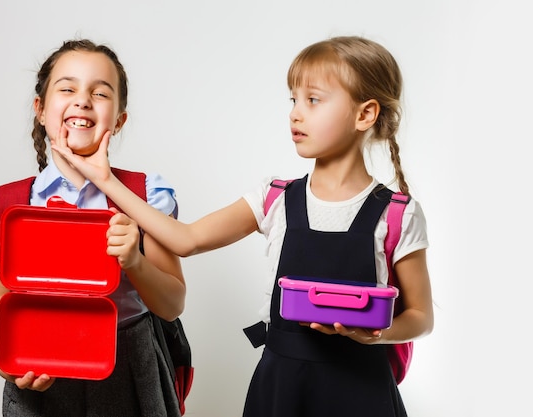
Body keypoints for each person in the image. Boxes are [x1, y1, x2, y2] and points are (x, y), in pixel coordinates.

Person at [51, 35, 434, 417]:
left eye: (313, 100)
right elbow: (186, 239)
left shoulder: (397, 214)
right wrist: (105, 180)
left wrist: (379, 334)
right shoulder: (275, 199)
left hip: (363, 395)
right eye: (293, 100)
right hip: (280, 392)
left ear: (365, 114)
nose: (295, 113)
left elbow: (421, 316)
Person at [0, 39, 186, 417]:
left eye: (100, 92)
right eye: (67, 88)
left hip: (129, 368)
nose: (83, 99)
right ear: (40, 110)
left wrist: (135, 262)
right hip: (40, 363)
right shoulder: (9, 204)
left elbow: (172, 305)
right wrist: (8, 364)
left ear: (119, 119)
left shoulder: (144, 196)